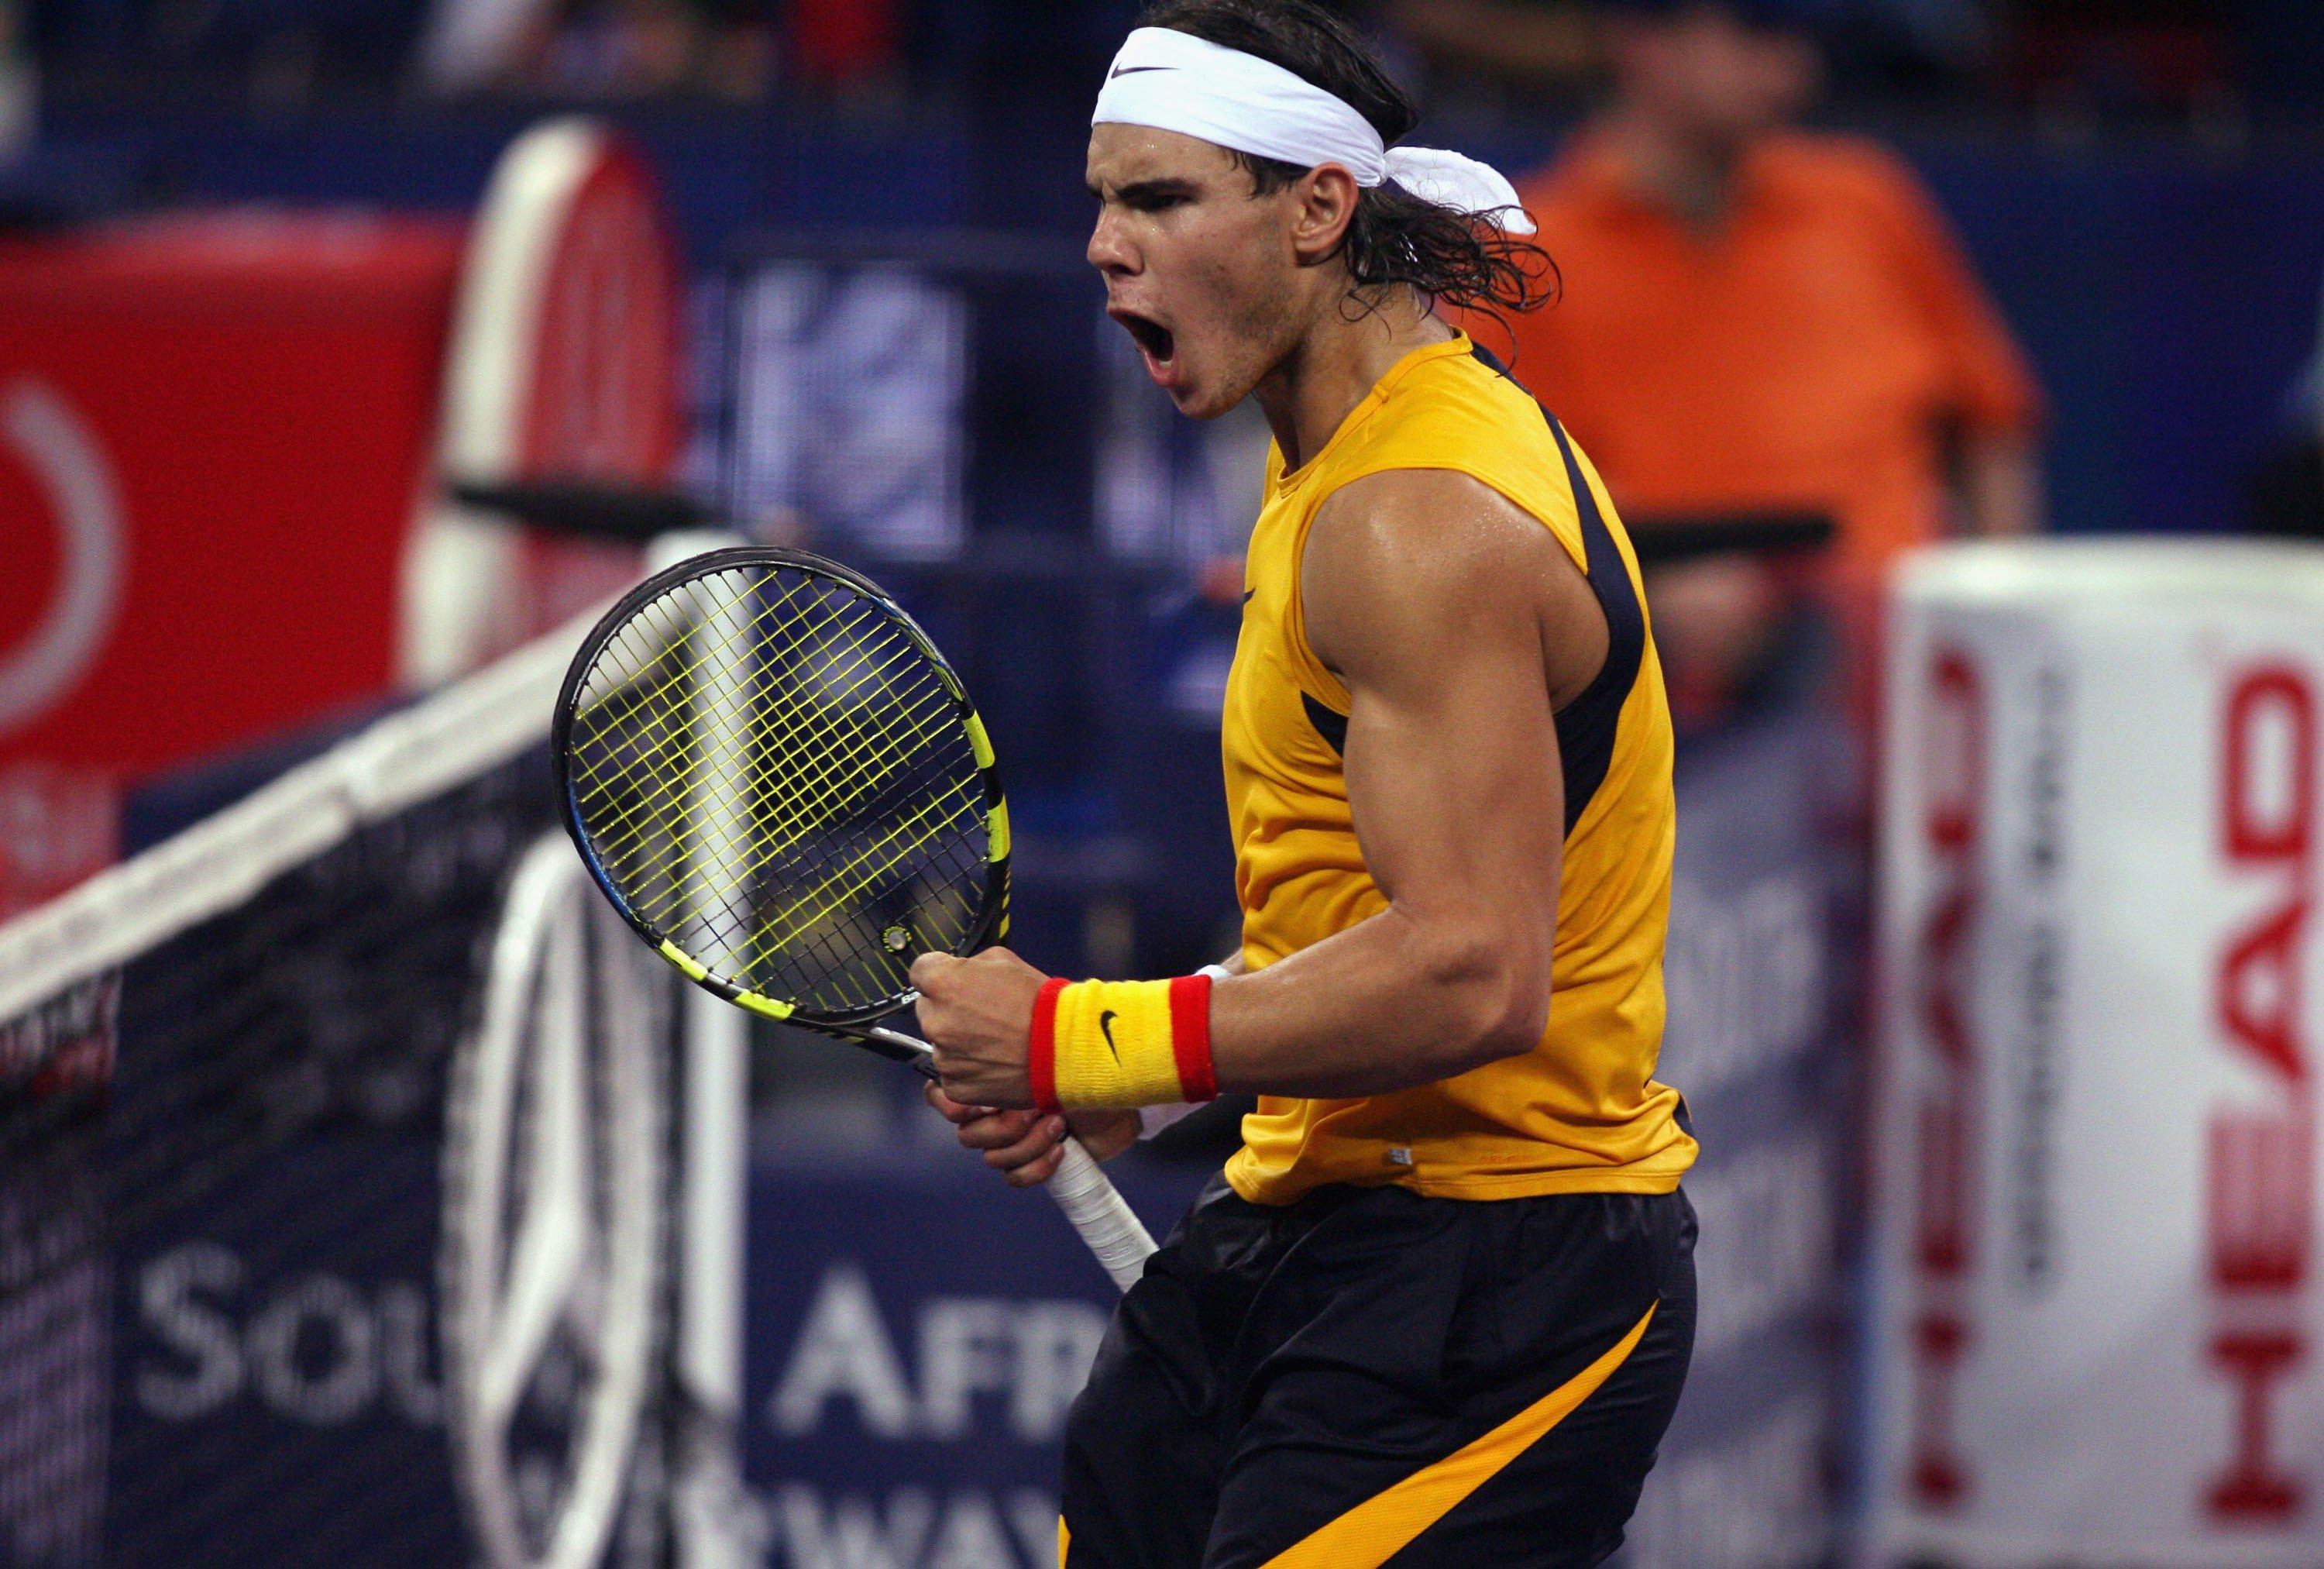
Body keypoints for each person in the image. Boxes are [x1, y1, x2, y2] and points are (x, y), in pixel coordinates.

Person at [911, 3, 1697, 1564]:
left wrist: (1090, 1032)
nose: (1100, 247)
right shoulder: (1337, 459)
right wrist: (1135, 1065)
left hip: (1506, 1271)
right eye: (1099, 200)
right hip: (1320, 1215)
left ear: (1320, 209)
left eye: (1157, 198)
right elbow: (1363, 903)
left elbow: (1475, 969)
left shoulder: (1410, 520)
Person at [1478, 0, 2044, 717]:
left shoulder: (1866, 199)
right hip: (1669, 668)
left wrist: (1996, 612)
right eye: (1754, 30)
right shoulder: (1523, 245)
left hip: (1903, 643)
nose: (1789, 66)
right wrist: (1631, 587)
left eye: (1799, 36)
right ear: (1645, 42)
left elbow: (1995, 423)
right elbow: (1492, 494)